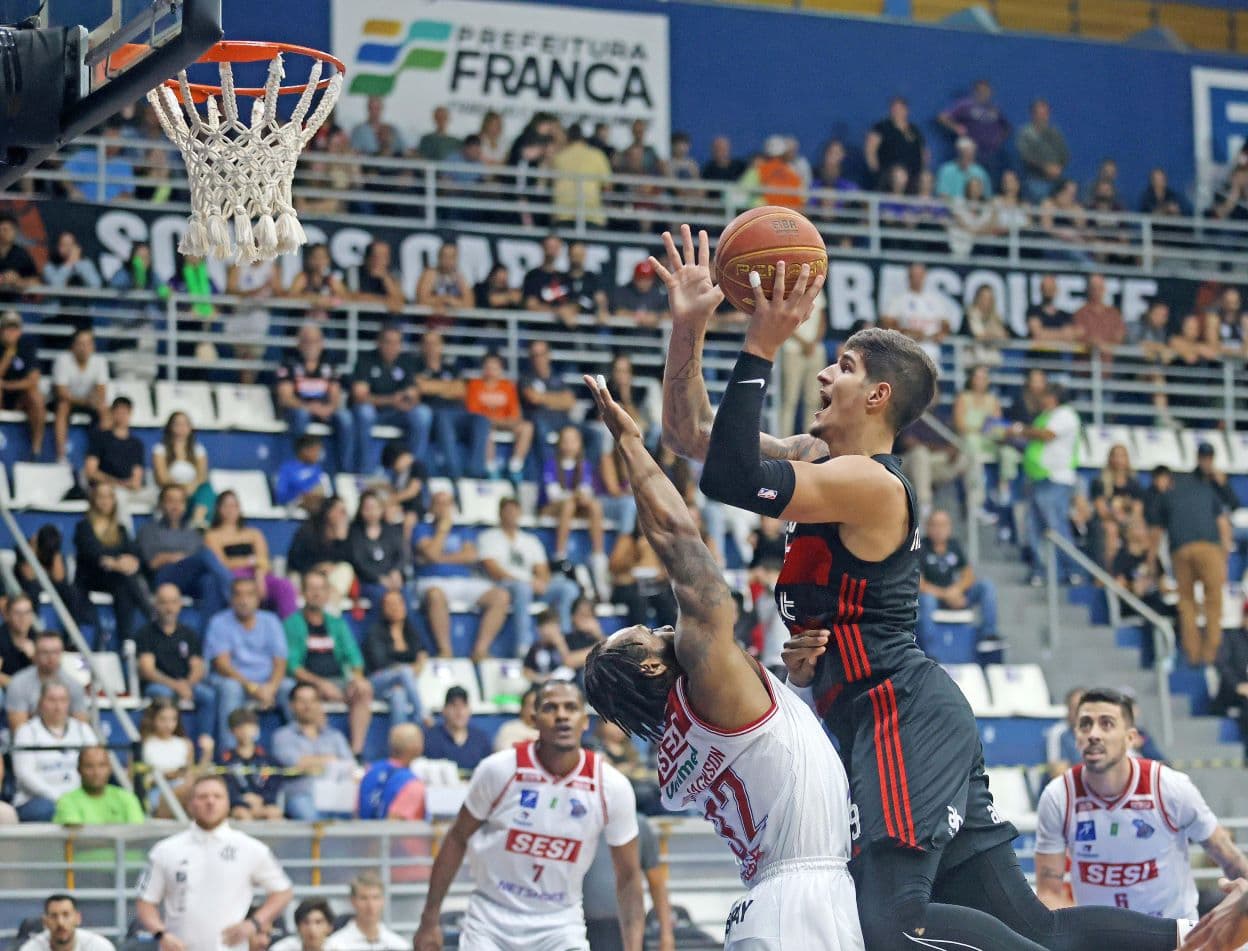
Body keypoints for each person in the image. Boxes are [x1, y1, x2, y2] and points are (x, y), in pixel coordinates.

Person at [655, 224, 1185, 950]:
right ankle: (1195, 933)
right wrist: (688, 329)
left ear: (876, 394)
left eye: (839, 365)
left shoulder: (871, 484)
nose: (823, 375)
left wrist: (764, 343)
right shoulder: (819, 457)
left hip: (900, 712)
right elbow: (694, 438)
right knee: (1032, 926)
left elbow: (730, 479)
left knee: (891, 924)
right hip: (873, 711)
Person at [582, 371, 864, 951]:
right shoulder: (703, 674)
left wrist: (796, 686)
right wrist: (632, 444)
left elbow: (767, 757)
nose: (663, 627)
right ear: (655, 666)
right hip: (801, 898)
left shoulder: (676, 745)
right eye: (648, 633)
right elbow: (679, 540)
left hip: (767, 899)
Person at [413, 680, 645, 951]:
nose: (561, 715)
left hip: (559, 923)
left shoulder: (611, 786)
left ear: (584, 721)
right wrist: (429, 919)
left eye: (571, 708)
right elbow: (456, 838)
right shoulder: (497, 770)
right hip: (491, 921)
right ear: (533, 720)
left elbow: (629, 876)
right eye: (550, 708)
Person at [1035, 688, 1248, 922]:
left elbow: (1231, 859)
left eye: (1106, 724)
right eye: (1085, 724)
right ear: (1076, 736)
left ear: (1130, 738)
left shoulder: (1169, 786)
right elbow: (1048, 893)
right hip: (1101, 939)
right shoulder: (1058, 796)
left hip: (1173, 935)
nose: (1093, 734)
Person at [136, 774, 293, 951]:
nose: (210, 802)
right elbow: (145, 901)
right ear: (190, 804)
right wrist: (161, 934)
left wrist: (254, 923)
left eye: (217, 796)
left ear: (228, 803)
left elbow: (283, 891)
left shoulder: (249, 848)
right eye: (203, 797)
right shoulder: (165, 850)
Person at [1146, 446, 1234, 667]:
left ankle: (1192, 655)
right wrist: (1224, 554)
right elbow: (1223, 524)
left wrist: (1150, 562)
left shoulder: (1168, 495)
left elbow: (1156, 533)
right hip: (1209, 548)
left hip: (1181, 550)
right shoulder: (1206, 490)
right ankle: (1211, 654)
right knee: (1213, 602)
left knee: (1186, 603)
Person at [284, 569, 373, 756]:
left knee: (363, 689)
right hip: (307, 683)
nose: (316, 594)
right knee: (304, 695)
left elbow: (355, 659)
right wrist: (320, 684)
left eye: (321, 589)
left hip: (338, 681)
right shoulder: (292, 624)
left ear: (327, 593)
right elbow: (293, 666)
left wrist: (356, 678)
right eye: (311, 589)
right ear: (303, 593)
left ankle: (356, 752)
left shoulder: (337, 623)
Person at [413, 490, 511, 658]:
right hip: (432, 580)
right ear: (431, 508)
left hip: (464, 581)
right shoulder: (421, 529)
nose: (444, 508)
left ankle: (481, 650)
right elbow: (430, 554)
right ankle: (445, 650)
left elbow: (471, 556)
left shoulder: (462, 530)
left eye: (447, 504)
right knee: (435, 595)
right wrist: (442, 530)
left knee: (501, 596)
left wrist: (439, 558)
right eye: (439, 503)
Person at [480, 496, 581, 655]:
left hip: (530, 586)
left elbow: (542, 569)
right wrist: (527, 582)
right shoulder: (489, 537)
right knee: (522, 589)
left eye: (515, 511)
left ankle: (566, 637)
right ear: (500, 513)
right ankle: (524, 646)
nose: (512, 515)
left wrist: (541, 582)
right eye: (508, 511)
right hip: (503, 586)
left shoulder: (529, 540)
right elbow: (493, 570)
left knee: (567, 588)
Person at [1009, 382, 1082, 586]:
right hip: (1039, 479)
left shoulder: (1065, 414)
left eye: (1045, 396)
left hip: (1055, 480)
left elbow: (1047, 435)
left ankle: (1071, 570)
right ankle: (1041, 571)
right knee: (1033, 528)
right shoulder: (1046, 416)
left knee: (1056, 526)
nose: (1041, 400)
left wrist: (1021, 430)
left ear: (1054, 397)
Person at [204, 577, 289, 749]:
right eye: (238, 595)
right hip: (234, 679)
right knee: (231, 688)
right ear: (231, 599)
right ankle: (229, 754)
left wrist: (271, 688)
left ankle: (294, 748)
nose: (244, 600)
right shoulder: (219, 622)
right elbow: (222, 665)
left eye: (249, 595)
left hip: (266, 682)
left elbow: (280, 661)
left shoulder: (270, 621)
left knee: (290, 688)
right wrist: (253, 688)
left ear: (257, 599)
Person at [135, 582, 216, 751]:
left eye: (173, 602)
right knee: (163, 694)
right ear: (156, 604)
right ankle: (174, 741)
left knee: (208, 695)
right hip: (159, 685)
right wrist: (176, 686)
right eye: (164, 602)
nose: (169, 608)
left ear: (180, 604)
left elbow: (198, 667)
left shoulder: (189, 633)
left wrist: (186, 684)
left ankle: (204, 741)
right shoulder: (145, 633)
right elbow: (147, 670)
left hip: (186, 684)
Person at [583, 812, 677, 951]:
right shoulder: (577, 824)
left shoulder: (639, 825)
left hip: (629, 929)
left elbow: (657, 885)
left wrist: (667, 936)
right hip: (583, 927)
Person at [138, 486, 234, 619]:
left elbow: (197, 563)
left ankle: (207, 634)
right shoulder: (149, 530)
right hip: (164, 577)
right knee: (205, 555)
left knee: (210, 581)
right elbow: (153, 563)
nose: (175, 506)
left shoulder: (193, 532)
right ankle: (234, 591)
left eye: (180, 502)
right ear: (161, 504)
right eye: (170, 501)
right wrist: (177, 558)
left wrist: (184, 559)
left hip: (190, 578)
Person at [350, 324, 433, 476]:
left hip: (397, 413)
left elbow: (414, 394)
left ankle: (414, 470)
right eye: (388, 342)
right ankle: (365, 470)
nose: (392, 347)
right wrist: (391, 400)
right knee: (364, 412)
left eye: (396, 343)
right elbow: (360, 396)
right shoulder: (366, 360)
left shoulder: (405, 362)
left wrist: (407, 402)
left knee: (422, 413)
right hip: (375, 412)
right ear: (379, 343)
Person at [274, 322, 355, 474]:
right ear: (299, 343)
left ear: (321, 343)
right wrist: (311, 407)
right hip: (299, 411)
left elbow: (335, 397)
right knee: (300, 415)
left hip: (324, 411)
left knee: (345, 418)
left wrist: (328, 408)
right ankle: (300, 467)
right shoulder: (289, 364)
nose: (311, 345)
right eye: (306, 340)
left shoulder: (329, 366)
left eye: (315, 341)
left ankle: (345, 470)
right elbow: (285, 398)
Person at [203, 490, 298, 619]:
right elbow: (222, 563)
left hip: (258, 575)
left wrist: (259, 575)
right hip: (232, 576)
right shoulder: (212, 536)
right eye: (226, 506)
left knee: (285, 586)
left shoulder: (253, 533)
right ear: (219, 509)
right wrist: (251, 561)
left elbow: (263, 560)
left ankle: (291, 630)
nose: (231, 510)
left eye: (234, 506)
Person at [73, 481, 150, 640]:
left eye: (109, 497)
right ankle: (150, 613)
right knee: (126, 579)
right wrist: (117, 563)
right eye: (101, 496)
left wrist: (131, 562)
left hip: (115, 579)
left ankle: (126, 640)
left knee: (124, 589)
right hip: (90, 578)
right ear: (93, 500)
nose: (105, 501)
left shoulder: (120, 529)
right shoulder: (84, 526)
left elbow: (134, 552)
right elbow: (93, 553)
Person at [12, 682, 98, 821]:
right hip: (36, 800)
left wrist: (77, 797)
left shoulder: (83, 729)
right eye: (52, 700)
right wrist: (58, 796)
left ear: (69, 703)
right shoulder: (27, 731)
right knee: (51, 810)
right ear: (40, 702)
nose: (58, 706)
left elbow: (97, 762)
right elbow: (25, 774)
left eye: (63, 700)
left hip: (78, 796)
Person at [538, 428, 610, 592]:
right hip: (551, 507)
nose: (569, 445)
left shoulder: (584, 465)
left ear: (579, 445)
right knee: (569, 504)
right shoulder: (551, 464)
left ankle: (598, 555)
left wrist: (581, 496)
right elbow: (553, 494)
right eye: (566, 441)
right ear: (559, 444)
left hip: (574, 504)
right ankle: (560, 553)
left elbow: (587, 490)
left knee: (595, 505)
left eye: (573, 441)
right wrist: (576, 496)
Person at [271, 682, 355, 821]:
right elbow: (294, 764)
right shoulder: (282, 736)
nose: (308, 706)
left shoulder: (335, 736)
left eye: (313, 701)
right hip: (302, 794)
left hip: (335, 795)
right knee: (313, 820)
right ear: (292, 705)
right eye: (302, 701)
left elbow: (349, 765)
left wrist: (311, 762)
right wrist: (332, 760)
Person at [414, 329, 490, 480]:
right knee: (444, 417)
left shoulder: (451, 367)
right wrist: (447, 387)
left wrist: (433, 387)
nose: (431, 347)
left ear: (441, 346)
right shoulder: (416, 366)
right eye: (427, 343)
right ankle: (453, 470)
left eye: (435, 343)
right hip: (436, 414)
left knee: (481, 419)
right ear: (422, 347)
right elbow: (420, 387)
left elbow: (461, 390)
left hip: (459, 413)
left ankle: (476, 470)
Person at [917, 509, 999, 648]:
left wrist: (957, 590)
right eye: (935, 525)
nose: (939, 530)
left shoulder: (954, 545)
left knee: (986, 586)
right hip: (933, 597)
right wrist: (946, 595)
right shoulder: (920, 547)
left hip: (955, 595)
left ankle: (988, 635)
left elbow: (968, 575)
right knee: (927, 600)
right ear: (927, 527)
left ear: (949, 528)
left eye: (943, 525)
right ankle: (928, 648)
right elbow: (918, 583)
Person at [363, 589, 431, 728]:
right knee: (404, 672)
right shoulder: (375, 632)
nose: (395, 608)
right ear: (383, 609)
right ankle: (422, 714)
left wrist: (411, 670)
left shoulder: (411, 632)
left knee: (398, 695)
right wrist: (406, 670)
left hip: (399, 684)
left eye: (398, 603)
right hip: (377, 681)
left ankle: (399, 740)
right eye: (390, 604)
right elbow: (379, 663)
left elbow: (422, 654)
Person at [465, 351, 534, 482]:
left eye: (494, 368)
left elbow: (515, 415)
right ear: (483, 369)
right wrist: (497, 421)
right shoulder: (474, 385)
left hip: (505, 424)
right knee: (484, 429)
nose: (491, 371)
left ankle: (515, 467)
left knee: (527, 427)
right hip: (486, 425)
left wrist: (500, 421)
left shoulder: (508, 387)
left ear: (501, 369)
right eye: (488, 367)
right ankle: (491, 469)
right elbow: (474, 414)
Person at [5, 631, 88, 732]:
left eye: (55, 652)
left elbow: (82, 729)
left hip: (66, 743)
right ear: (35, 654)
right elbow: (19, 731)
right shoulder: (18, 683)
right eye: (45, 652)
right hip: (31, 743)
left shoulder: (74, 686)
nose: (51, 657)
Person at [51, 327, 109, 464]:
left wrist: (94, 401)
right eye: (80, 343)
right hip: (66, 402)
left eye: (88, 343)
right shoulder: (63, 360)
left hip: (87, 402)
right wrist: (86, 401)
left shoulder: (100, 362)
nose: (84, 348)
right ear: (73, 346)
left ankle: (101, 457)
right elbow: (61, 393)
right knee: (63, 406)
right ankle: (61, 455)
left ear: (93, 346)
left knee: (105, 410)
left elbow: (101, 391)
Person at [880, 262, 953, 364]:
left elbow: (946, 323)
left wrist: (941, 333)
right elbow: (887, 323)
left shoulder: (935, 299)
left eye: (920, 276)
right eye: (914, 276)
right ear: (909, 277)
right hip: (907, 350)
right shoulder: (899, 299)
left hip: (932, 350)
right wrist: (907, 332)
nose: (917, 279)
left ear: (925, 276)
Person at [151, 411, 215, 529]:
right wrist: (180, 490)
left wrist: (191, 488)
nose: (181, 427)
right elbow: (162, 477)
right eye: (177, 424)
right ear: (170, 427)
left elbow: (202, 475)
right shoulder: (160, 449)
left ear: (190, 428)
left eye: (185, 424)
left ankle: (198, 521)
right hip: (170, 490)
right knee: (175, 495)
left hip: (192, 491)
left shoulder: (198, 449)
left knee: (206, 488)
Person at [140, 696, 202, 816]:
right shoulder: (144, 745)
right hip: (157, 792)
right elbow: (135, 779)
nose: (168, 725)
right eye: (162, 719)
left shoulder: (185, 744)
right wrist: (166, 776)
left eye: (173, 719)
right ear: (152, 719)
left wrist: (207, 754)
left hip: (184, 790)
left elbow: (190, 774)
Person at [53, 745, 146, 826]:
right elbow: (77, 839)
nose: (96, 772)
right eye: (89, 766)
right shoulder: (67, 801)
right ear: (79, 769)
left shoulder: (127, 797)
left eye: (102, 765)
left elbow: (136, 835)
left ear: (110, 768)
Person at [82, 396, 146, 512]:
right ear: (112, 413)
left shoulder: (136, 444)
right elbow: (91, 471)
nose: (122, 416)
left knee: (162, 496)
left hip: (129, 489)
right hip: (107, 488)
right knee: (118, 497)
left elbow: (137, 477)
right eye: (118, 412)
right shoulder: (100, 438)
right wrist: (117, 483)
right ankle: (124, 530)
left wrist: (131, 484)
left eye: (125, 412)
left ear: (130, 413)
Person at [346, 489, 407, 609]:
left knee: (404, 595)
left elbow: (401, 555)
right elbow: (358, 562)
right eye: (367, 508)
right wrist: (379, 578)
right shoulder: (354, 533)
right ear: (361, 510)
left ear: (381, 509)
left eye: (375, 507)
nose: (372, 512)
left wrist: (396, 571)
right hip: (368, 582)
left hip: (391, 580)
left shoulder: (392, 531)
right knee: (382, 596)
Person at [218, 707, 282, 821]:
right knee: (242, 814)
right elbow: (225, 785)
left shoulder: (267, 759)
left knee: (274, 813)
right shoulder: (225, 759)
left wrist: (263, 799)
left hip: (264, 803)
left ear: (257, 729)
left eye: (250, 727)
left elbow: (275, 782)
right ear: (232, 731)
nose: (245, 732)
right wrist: (241, 799)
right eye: (240, 728)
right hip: (237, 805)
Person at [938, 79, 1011, 177]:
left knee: (990, 182)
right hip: (973, 154)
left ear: (991, 93)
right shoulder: (965, 106)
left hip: (992, 154)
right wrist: (956, 127)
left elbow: (1006, 127)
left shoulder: (994, 109)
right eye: (980, 91)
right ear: (974, 92)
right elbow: (942, 117)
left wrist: (999, 139)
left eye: (986, 91)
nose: (983, 93)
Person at [357, 722, 427, 821]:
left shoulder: (369, 772)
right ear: (417, 748)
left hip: (363, 834)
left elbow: (357, 813)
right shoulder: (413, 784)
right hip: (391, 835)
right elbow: (394, 827)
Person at [0, 311, 46, 456]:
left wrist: (6, 385)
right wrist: (7, 356)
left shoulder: (27, 346)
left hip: (19, 397)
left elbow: (33, 381)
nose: (11, 332)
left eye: (15, 328)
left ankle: (36, 449)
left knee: (36, 397)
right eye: (8, 328)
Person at [323, 871, 406, 950]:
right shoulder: (335, 945)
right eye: (364, 898)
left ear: (383, 900)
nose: (370, 905)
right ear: (353, 901)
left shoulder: (398, 945)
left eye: (375, 898)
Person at [423, 685, 492, 772]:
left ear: (469, 710)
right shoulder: (430, 738)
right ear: (444, 710)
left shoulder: (481, 738)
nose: (459, 712)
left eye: (464, 706)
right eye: (454, 706)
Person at [865, 96, 926, 190]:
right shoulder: (881, 128)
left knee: (926, 178)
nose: (897, 111)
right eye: (894, 108)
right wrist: (876, 173)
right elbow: (870, 150)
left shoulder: (914, 130)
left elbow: (923, 152)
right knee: (899, 175)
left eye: (900, 108)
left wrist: (922, 169)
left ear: (906, 110)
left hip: (913, 174)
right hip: (888, 174)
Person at [18, 894, 115, 951]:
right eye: (54, 916)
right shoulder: (32, 948)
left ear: (78, 918)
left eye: (66, 915)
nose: (60, 922)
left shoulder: (98, 947)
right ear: (45, 922)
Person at [1017, 98, 1070, 202]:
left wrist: (1058, 168)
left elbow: (1065, 155)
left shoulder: (1055, 134)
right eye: (1039, 114)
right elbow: (1025, 156)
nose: (1042, 117)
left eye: (1045, 113)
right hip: (1034, 178)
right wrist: (1045, 167)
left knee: (1070, 189)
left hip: (1056, 178)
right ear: (1032, 114)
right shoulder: (1025, 133)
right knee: (1039, 193)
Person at [273, 435, 330, 513]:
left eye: (319, 451)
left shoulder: (317, 469)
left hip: (318, 503)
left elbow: (324, 491)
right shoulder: (287, 469)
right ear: (304, 450)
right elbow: (280, 495)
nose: (318, 455)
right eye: (315, 450)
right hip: (295, 503)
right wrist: (302, 494)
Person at [1073, 274, 1126, 355]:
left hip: (1107, 364)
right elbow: (1078, 335)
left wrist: (1103, 345)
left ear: (1104, 289)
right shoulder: (1080, 314)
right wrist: (1094, 342)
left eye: (1100, 288)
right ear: (1089, 290)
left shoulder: (1114, 314)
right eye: (1094, 288)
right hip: (1085, 364)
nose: (1097, 291)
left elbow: (1120, 336)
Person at [415, 241, 473, 313]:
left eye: (452, 257)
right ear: (439, 257)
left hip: (454, 321)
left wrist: (449, 300)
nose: (448, 260)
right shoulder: (430, 274)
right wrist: (444, 300)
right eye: (445, 256)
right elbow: (422, 301)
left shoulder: (459, 277)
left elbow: (469, 305)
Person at [493, 683, 541, 751]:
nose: (536, 711)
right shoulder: (509, 729)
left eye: (539, 706)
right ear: (522, 708)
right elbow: (505, 756)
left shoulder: (550, 731)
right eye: (531, 705)